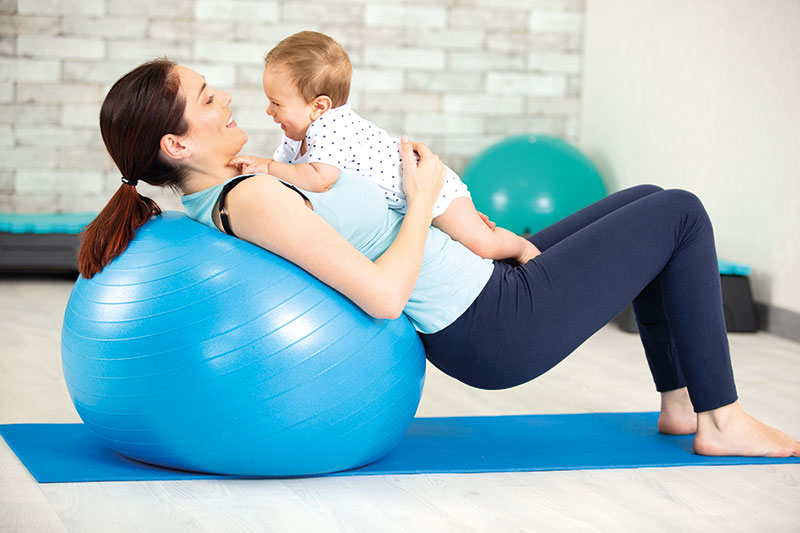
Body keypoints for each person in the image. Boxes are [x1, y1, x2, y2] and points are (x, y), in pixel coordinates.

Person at [79, 58, 799, 458]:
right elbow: (385, 297)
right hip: (494, 322)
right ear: (175, 145)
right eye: (208, 98)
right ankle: (720, 418)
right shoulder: (251, 200)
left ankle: (681, 405)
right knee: (682, 214)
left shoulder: (246, 184)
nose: (227, 97)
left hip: (487, 287)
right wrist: (422, 197)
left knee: (648, 196)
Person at [227, 31, 539, 265]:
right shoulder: (298, 131)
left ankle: (519, 246)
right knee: (458, 236)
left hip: (434, 189)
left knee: (482, 245)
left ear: (318, 106)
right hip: (410, 202)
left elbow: (319, 178)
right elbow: (285, 174)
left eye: (276, 103)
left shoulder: (330, 126)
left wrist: (265, 166)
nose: (269, 112)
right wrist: (256, 170)